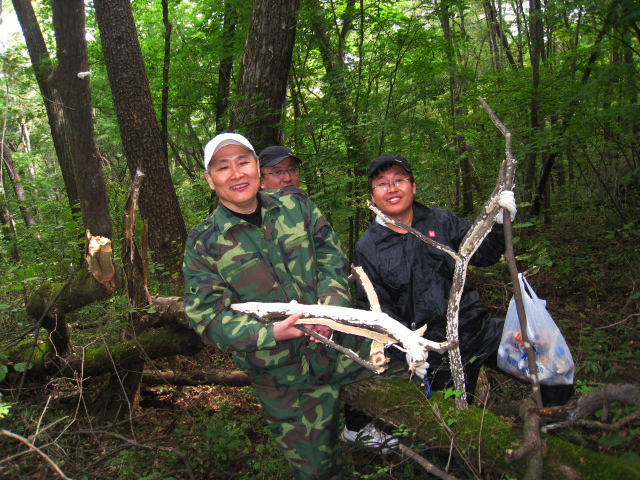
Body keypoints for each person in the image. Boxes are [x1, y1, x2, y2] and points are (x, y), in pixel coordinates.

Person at [183, 132, 381, 479]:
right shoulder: (205, 244)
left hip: (342, 347)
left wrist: (330, 310)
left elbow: (331, 258)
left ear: (258, 168)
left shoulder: (297, 207)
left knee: (414, 383)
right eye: (223, 167)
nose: (236, 173)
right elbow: (209, 319)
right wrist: (273, 331)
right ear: (210, 180)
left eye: (243, 162)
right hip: (284, 376)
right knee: (318, 472)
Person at [352, 154, 573, 407]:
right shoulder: (368, 247)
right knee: (456, 419)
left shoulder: (442, 221)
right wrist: (407, 351)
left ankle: (547, 423)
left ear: (413, 187)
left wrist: (499, 224)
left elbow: (485, 254)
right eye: (381, 183)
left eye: (399, 179)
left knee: (553, 368)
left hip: (477, 329)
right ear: (372, 196)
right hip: (433, 352)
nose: (392, 188)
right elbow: (377, 313)